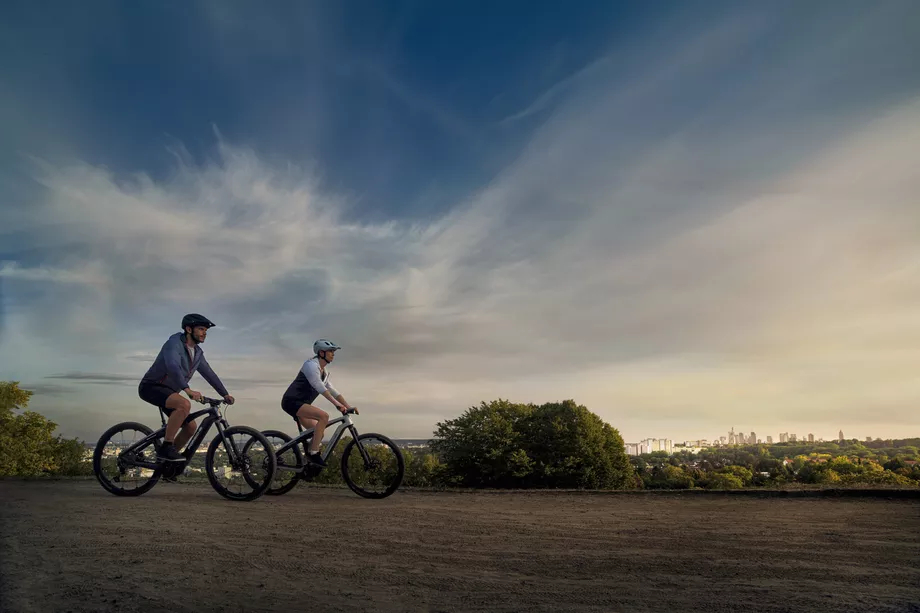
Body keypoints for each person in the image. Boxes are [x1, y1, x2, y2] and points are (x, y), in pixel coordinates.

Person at [138, 313, 235, 462]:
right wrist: (187, 389)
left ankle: (165, 465)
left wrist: (225, 394)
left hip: (170, 392)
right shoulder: (174, 343)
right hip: (151, 387)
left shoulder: (197, 353)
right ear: (189, 329)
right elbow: (172, 366)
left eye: (206, 331)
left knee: (190, 427)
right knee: (184, 404)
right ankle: (166, 447)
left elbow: (209, 374)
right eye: (201, 329)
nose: (204, 333)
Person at [280, 339, 355, 467]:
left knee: (318, 432)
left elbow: (333, 391)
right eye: (331, 351)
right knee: (324, 416)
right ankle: (314, 454)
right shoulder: (311, 366)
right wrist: (337, 405)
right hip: (292, 402)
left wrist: (348, 406)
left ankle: (306, 460)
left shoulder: (323, 372)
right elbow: (320, 387)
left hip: (302, 405)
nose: (333, 354)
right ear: (321, 353)